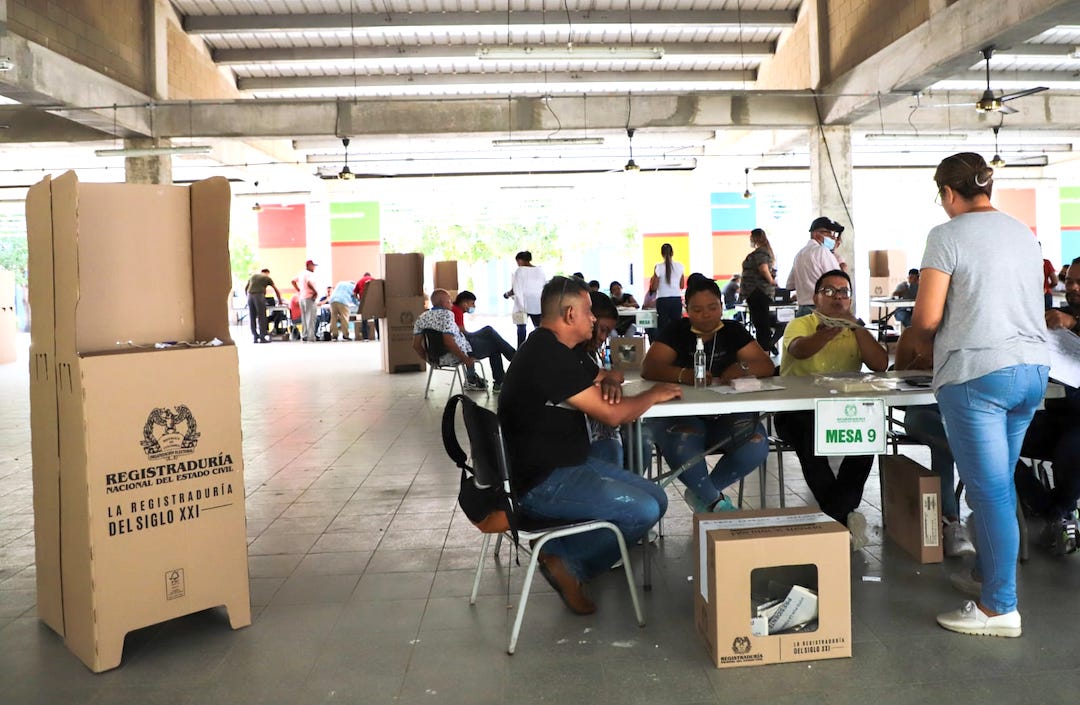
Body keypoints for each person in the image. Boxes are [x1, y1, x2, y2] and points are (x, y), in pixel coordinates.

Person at [896, 152, 1048, 639]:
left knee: (989, 493)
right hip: (1032, 372)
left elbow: (927, 319)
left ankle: (998, 608)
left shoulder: (947, 235)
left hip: (978, 375)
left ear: (946, 193)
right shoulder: (1022, 232)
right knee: (997, 487)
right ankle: (989, 576)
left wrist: (913, 346)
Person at [498, 276, 682, 614]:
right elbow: (613, 416)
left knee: (657, 498)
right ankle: (568, 563)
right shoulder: (547, 355)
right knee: (641, 510)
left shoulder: (555, 347)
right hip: (542, 481)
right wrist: (654, 394)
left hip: (566, 463)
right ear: (570, 314)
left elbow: (599, 375)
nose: (594, 319)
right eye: (588, 312)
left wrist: (609, 379)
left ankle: (564, 553)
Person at [774, 270, 888, 547]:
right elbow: (799, 350)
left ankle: (836, 517)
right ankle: (843, 516)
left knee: (870, 433)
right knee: (809, 438)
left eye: (844, 292)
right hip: (797, 411)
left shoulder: (857, 329)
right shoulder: (801, 324)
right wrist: (831, 329)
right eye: (829, 291)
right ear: (815, 298)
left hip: (842, 413)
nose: (838, 297)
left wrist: (856, 329)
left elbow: (880, 364)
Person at [641, 276, 773, 512]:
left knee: (756, 444)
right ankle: (715, 504)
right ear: (687, 309)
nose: (706, 314)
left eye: (713, 307)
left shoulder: (733, 330)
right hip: (681, 414)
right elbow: (650, 367)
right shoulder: (677, 331)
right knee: (684, 441)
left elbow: (765, 366)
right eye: (697, 309)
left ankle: (704, 495)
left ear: (722, 306)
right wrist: (684, 374)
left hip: (726, 416)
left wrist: (742, 368)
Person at [1013, 256, 1080, 554]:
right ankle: (1052, 509)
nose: (1073, 287)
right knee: (996, 445)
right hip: (1053, 414)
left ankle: (1059, 512)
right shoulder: (1055, 315)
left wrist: (1075, 323)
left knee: (1072, 451)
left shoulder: (1069, 318)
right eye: (1070, 281)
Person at [412, 289, 487, 391]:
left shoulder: (422, 317)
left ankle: (472, 379)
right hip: (454, 356)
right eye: (449, 301)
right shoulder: (447, 315)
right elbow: (449, 342)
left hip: (436, 358)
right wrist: (466, 360)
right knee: (493, 346)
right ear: (443, 303)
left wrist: (429, 360)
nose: (451, 304)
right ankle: (479, 381)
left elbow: (416, 345)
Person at [451, 290, 516, 392]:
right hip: (465, 347)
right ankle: (512, 358)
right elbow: (464, 334)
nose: (474, 306)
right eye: (472, 303)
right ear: (464, 303)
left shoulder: (455, 310)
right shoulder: (457, 311)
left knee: (494, 345)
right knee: (489, 331)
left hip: (463, 345)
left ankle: (501, 380)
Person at [787, 217, 845, 315]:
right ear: (816, 234)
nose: (833, 238)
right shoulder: (822, 251)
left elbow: (790, 285)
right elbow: (839, 281)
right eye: (830, 233)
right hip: (821, 310)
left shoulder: (799, 254)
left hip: (802, 310)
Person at [741, 227, 778, 351]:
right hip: (758, 292)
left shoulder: (761, 252)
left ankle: (765, 347)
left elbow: (763, 268)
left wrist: (771, 281)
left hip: (757, 292)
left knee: (761, 323)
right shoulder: (765, 251)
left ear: (755, 238)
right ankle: (768, 345)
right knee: (761, 322)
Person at [503, 250, 546, 346]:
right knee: (540, 329)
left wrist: (507, 295)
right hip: (537, 304)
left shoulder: (520, 270)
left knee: (521, 329)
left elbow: (516, 289)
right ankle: (542, 347)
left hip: (522, 303)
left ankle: (521, 350)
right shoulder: (540, 270)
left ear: (521, 260)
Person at [650, 242, 686, 333]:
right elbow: (681, 286)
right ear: (672, 253)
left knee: (663, 328)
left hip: (662, 300)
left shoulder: (658, 267)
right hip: (676, 299)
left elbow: (654, 287)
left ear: (661, 253)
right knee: (677, 327)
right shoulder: (680, 266)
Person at [244, 268, 283, 344]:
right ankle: (262, 337)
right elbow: (276, 289)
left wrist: (247, 297)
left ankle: (255, 337)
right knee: (262, 316)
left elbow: (246, 288)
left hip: (250, 296)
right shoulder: (266, 277)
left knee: (252, 317)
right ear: (267, 273)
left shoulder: (253, 276)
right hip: (259, 295)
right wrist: (280, 300)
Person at [291, 259, 320, 342]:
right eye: (313, 266)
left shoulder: (301, 273)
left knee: (304, 317)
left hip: (302, 298)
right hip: (309, 297)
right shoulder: (308, 274)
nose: (314, 267)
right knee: (311, 318)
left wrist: (299, 290)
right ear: (309, 266)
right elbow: (309, 283)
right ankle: (311, 337)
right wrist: (315, 292)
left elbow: (293, 281)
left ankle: (304, 335)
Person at [352, 272, 379, 341]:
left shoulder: (360, 281)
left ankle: (366, 337)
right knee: (376, 317)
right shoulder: (373, 279)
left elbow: (354, 293)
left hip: (363, 300)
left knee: (364, 318)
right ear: (369, 275)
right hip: (373, 299)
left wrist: (358, 299)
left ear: (364, 276)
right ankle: (379, 336)